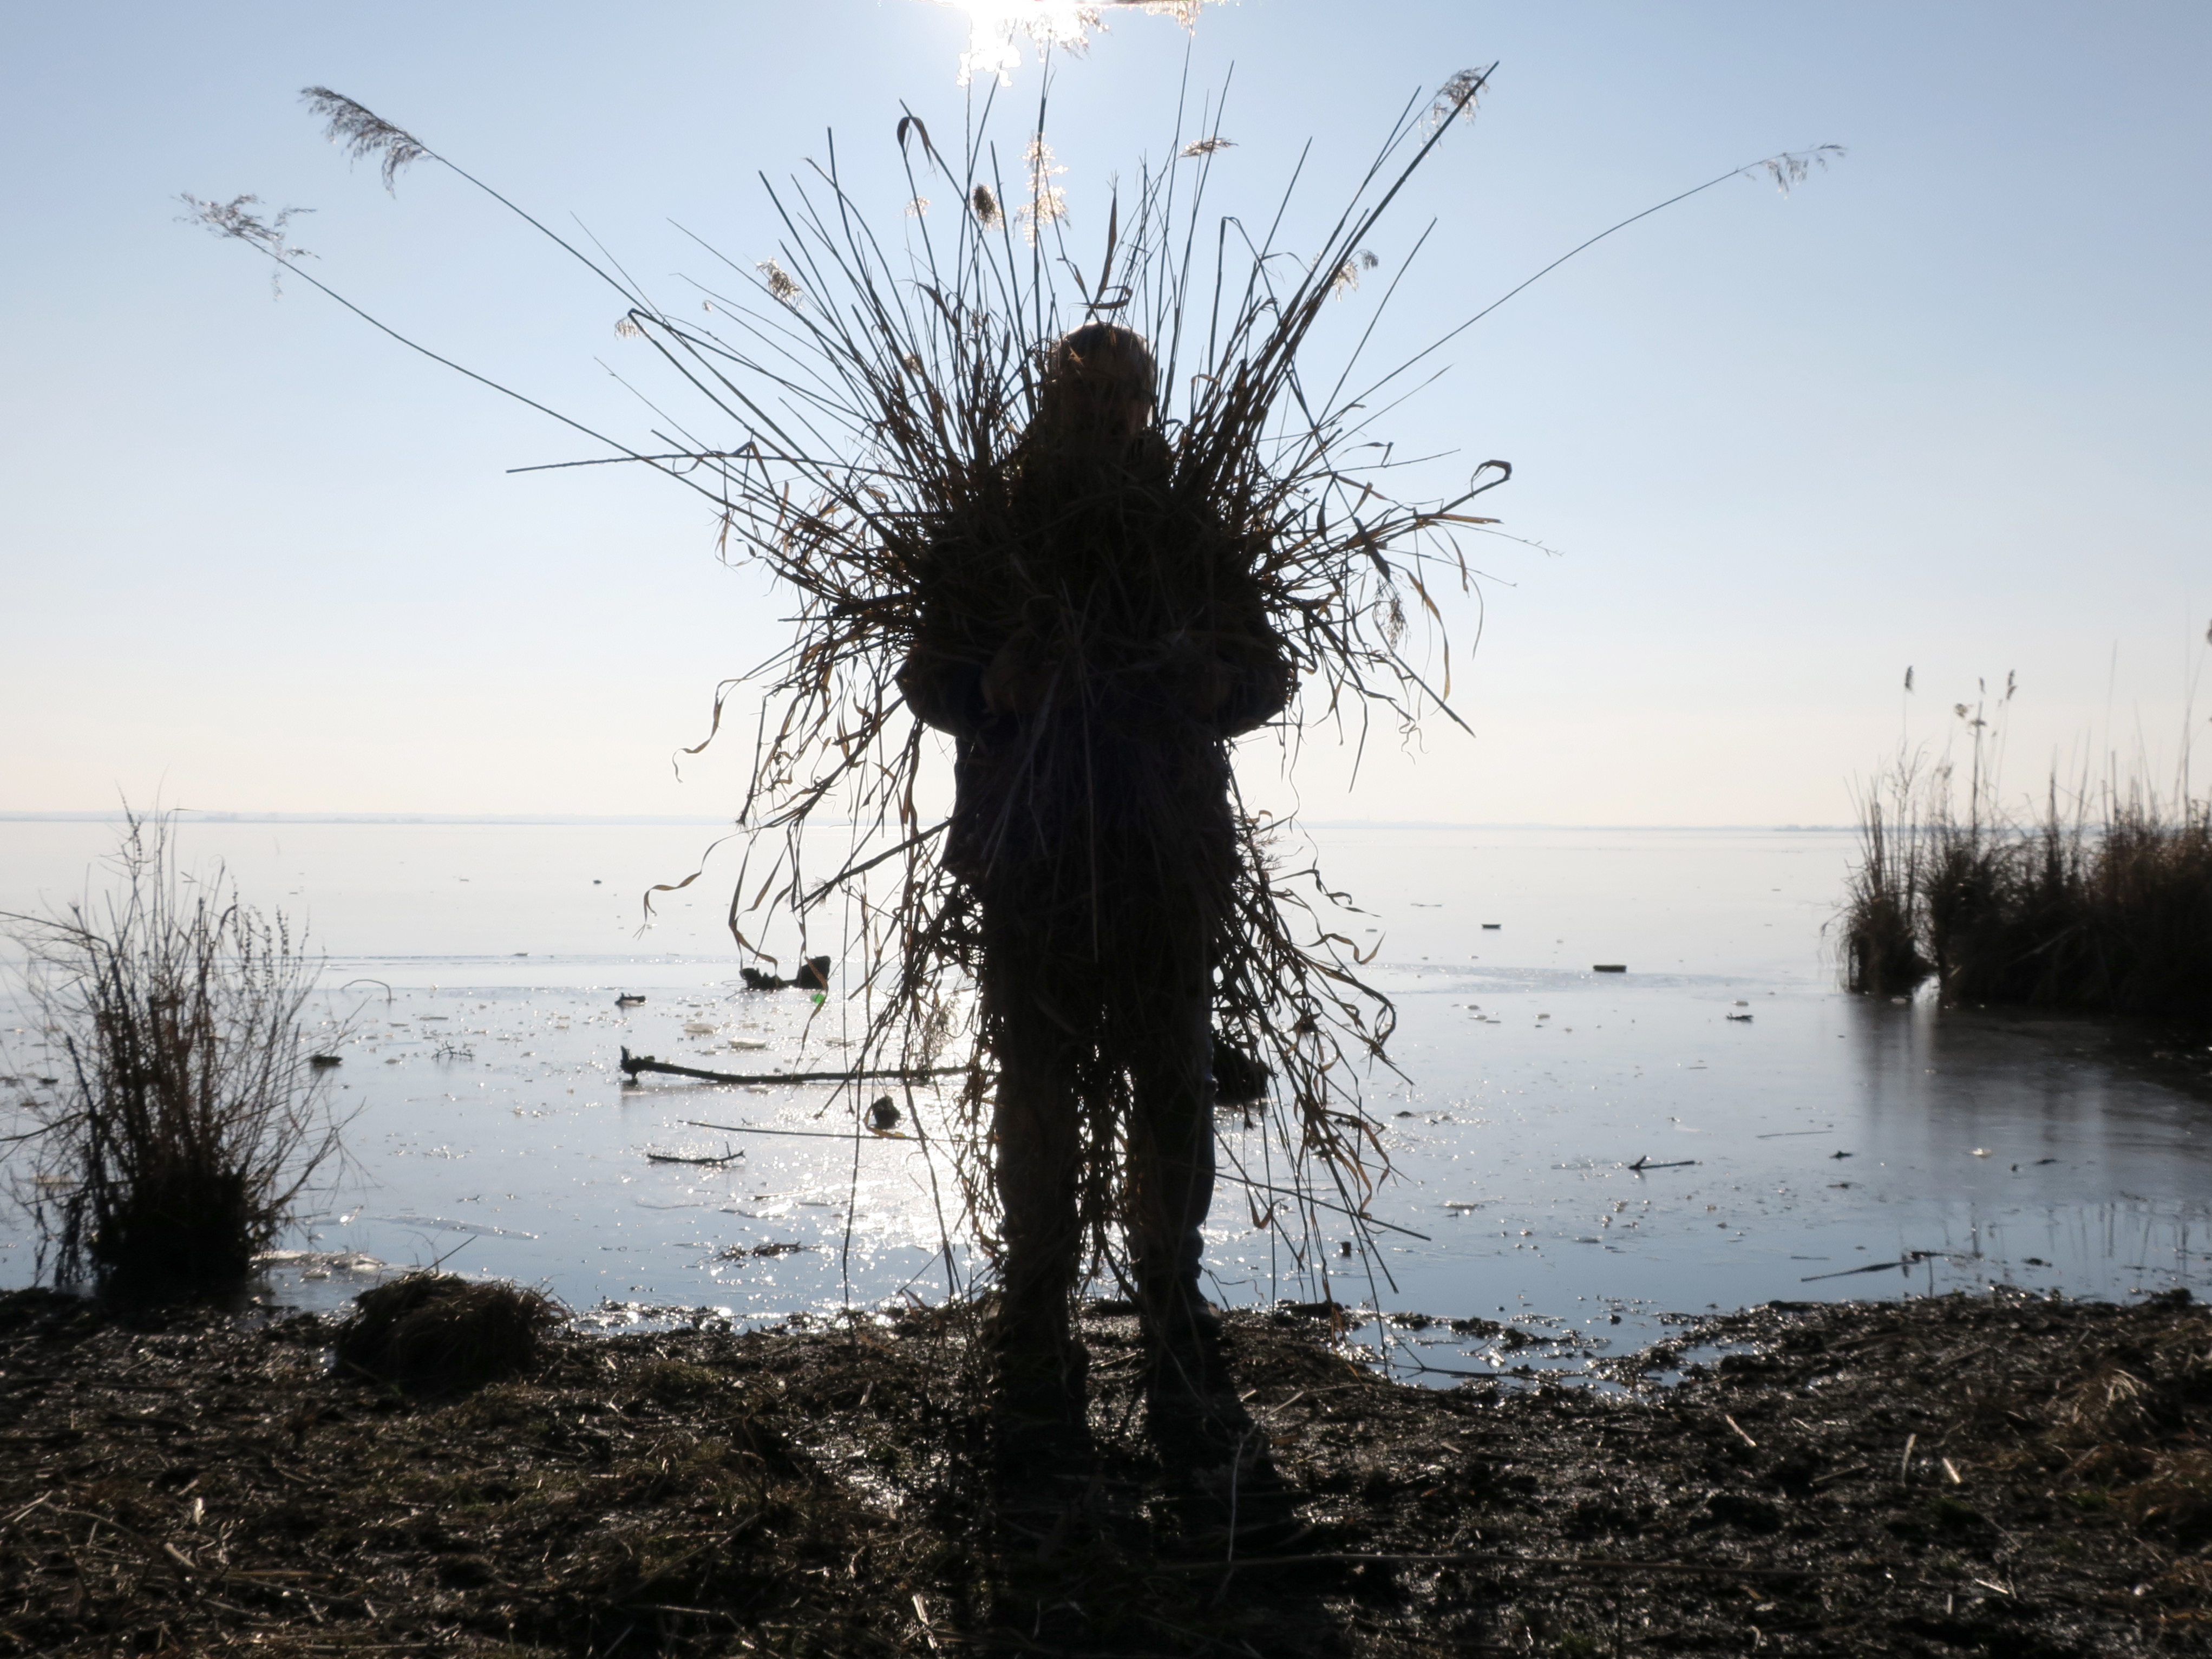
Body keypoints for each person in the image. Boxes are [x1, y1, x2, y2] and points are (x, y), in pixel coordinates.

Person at [898, 322, 1290, 1452]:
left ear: (1148, 409)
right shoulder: (992, 528)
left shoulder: (1189, 527)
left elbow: (1268, 674)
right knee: (1037, 1081)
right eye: (1084, 393)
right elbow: (927, 675)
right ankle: (1036, 1314)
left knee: (1172, 1078)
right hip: (1034, 856)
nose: (1104, 411)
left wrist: (1213, 680)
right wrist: (994, 683)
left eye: (1124, 394)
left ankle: (1173, 1307)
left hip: (1166, 855)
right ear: (1049, 401)